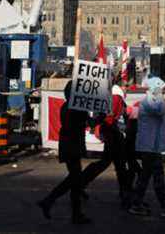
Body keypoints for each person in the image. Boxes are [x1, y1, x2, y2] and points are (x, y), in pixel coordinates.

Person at [38, 81, 91, 224]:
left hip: (67, 146)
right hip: (73, 147)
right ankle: (50, 201)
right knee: (74, 180)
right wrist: (101, 116)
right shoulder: (77, 108)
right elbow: (89, 123)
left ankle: (73, 212)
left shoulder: (66, 106)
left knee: (75, 180)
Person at [128, 77, 165, 218]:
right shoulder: (149, 103)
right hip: (149, 146)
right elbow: (160, 112)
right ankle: (164, 206)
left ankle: (137, 204)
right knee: (157, 177)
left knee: (146, 176)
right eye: (162, 89)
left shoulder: (154, 102)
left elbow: (161, 123)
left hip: (152, 146)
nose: (164, 92)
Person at [81, 85, 131, 207]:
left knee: (109, 163)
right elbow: (111, 116)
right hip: (112, 133)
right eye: (126, 87)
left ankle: (81, 183)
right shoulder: (116, 97)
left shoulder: (114, 96)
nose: (127, 89)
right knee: (117, 164)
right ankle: (125, 193)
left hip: (111, 132)